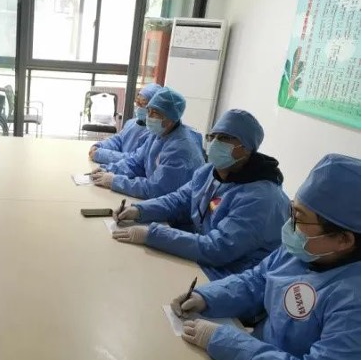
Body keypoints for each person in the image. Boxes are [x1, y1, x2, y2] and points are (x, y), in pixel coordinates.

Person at [170, 154, 361, 360]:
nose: (290, 225)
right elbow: (257, 280)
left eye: (299, 217)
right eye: (292, 210)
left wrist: (225, 342)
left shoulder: (353, 301)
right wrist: (206, 297)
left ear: (344, 239)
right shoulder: (305, 249)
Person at [112, 109, 290, 280]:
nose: (215, 143)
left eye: (224, 138)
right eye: (212, 137)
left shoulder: (261, 198)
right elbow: (179, 200)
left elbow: (218, 248)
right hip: (202, 256)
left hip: (233, 276)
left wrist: (153, 235)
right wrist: (139, 210)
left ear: (247, 147)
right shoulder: (209, 172)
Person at [90, 87, 205, 199]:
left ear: (171, 118)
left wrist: (115, 181)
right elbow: (135, 162)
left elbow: (156, 189)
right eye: (148, 110)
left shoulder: (180, 149)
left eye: (155, 113)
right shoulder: (158, 134)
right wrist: (109, 169)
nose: (149, 116)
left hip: (175, 207)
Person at [88, 83, 163, 165]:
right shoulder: (131, 123)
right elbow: (118, 140)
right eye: (137, 101)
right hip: (121, 168)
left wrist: (100, 154)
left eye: (143, 103)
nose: (138, 106)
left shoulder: (154, 133)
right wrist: (99, 146)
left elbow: (135, 160)